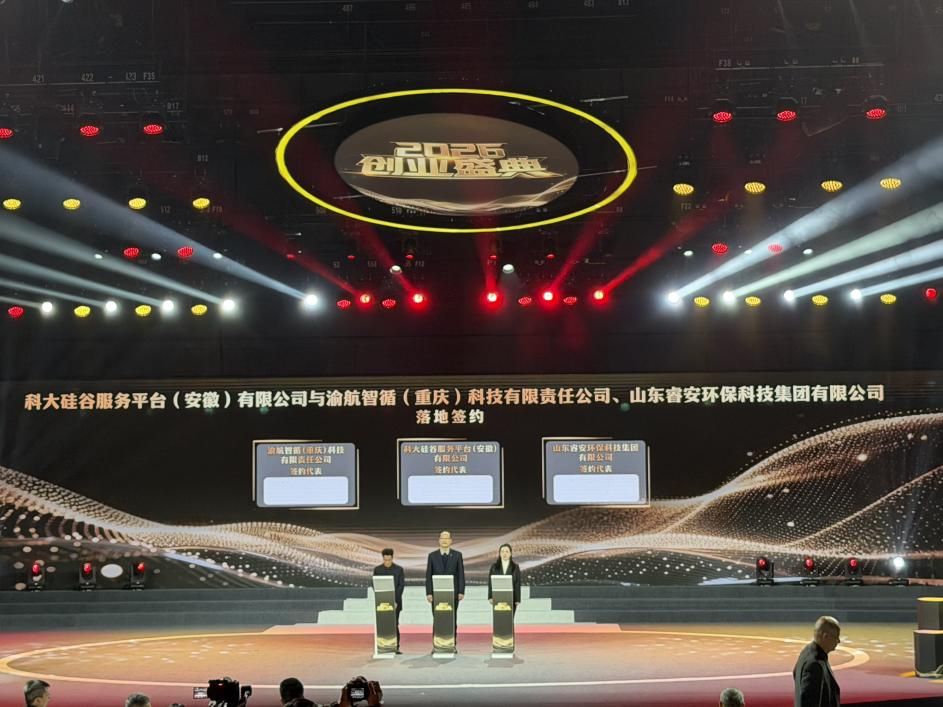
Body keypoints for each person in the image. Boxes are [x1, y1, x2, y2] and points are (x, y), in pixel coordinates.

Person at [793, 615, 841, 707]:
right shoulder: (815, 664)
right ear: (825, 636)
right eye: (836, 637)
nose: (838, 641)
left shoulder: (807, 651)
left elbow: (795, 672)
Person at [425, 530, 466, 638]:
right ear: (439, 540)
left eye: (447, 538)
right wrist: (429, 593)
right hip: (436, 594)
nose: (444, 540)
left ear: (450, 541)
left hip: (453, 593)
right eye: (442, 538)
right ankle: (437, 641)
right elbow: (428, 575)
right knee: (437, 617)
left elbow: (461, 574)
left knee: (452, 617)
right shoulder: (432, 556)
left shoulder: (457, 555)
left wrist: (461, 591)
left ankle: (452, 641)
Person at [373, 547, 406, 652]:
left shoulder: (399, 569)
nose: (387, 562)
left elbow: (401, 586)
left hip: (396, 602)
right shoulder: (377, 570)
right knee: (382, 624)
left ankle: (396, 646)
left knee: (394, 624)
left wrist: (394, 600)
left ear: (392, 558)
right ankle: (383, 646)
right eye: (385, 560)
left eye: (389, 560)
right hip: (382, 602)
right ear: (383, 558)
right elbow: (375, 585)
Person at [487, 543, 522, 614]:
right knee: (499, 618)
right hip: (497, 597)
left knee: (510, 618)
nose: (504, 554)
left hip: (511, 598)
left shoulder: (515, 567)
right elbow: (490, 583)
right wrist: (490, 596)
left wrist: (517, 599)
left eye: (507, 551)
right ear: (499, 554)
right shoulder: (494, 567)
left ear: (510, 553)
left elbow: (517, 583)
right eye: (502, 551)